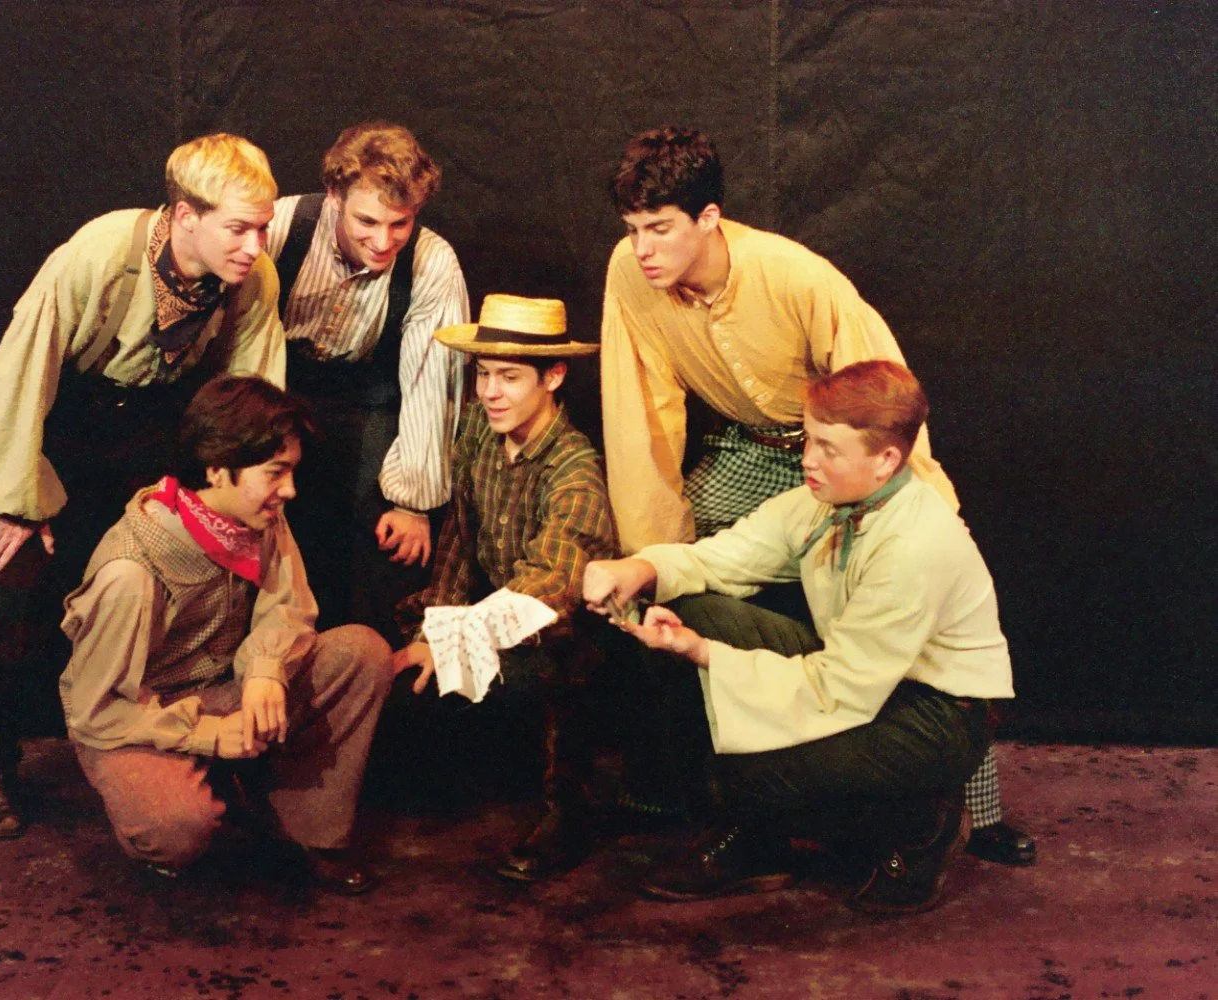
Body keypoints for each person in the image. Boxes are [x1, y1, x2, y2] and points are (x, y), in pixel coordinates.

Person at [599, 125, 1032, 865]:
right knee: (674, 570)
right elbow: (641, 406)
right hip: (745, 449)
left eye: (660, 230)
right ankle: (678, 785)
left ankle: (976, 811)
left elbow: (876, 395)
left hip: (834, 444)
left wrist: (912, 497)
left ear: (710, 218)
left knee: (936, 586)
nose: (644, 250)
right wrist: (645, 550)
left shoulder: (796, 276)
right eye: (633, 230)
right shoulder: (628, 272)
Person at [584, 360, 1014, 914]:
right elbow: (724, 559)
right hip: (858, 675)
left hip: (935, 710)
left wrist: (702, 652)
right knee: (690, 604)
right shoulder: (822, 500)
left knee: (748, 771)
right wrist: (638, 569)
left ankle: (923, 822)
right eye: (807, 439)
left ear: (886, 460)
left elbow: (840, 688)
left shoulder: (917, 543)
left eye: (828, 448)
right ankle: (758, 847)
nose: (807, 460)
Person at [0, 134, 288, 838]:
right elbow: (23, 371)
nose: (255, 245)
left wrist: (245, 489)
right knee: (21, 587)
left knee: (182, 581)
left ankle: (175, 750)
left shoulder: (252, 279)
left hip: (156, 442)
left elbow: (254, 396)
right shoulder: (99, 254)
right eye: (238, 227)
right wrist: (18, 499)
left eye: (262, 227)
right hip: (63, 434)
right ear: (185, 214)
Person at [59, 375, 392, 893]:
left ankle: (307, 830)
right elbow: (94, 711)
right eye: (275, 473)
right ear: (216, 469)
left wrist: (265, 672)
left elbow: (289, 605)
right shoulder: (131, 571)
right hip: (136, 719)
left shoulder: (255, 518)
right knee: (176, 831)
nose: (290, 490)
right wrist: (210, 736)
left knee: (361, 653)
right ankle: (191, 791)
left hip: (221, 691)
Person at [394, 294, 616, 882]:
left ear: (554, 376)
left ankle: (567, 813)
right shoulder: (477, 429)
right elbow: (459, 542)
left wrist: (447, 642)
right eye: (484, 374)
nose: (491, 391)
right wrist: (427, 629)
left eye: (510, 377)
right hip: (487, 614)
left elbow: (545, 592)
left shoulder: (574, 469)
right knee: (395, 676)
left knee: (563, 662)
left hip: (557, 634)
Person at [266, 121, 470, 643]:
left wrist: (414, 504)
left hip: (369, 402)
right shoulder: (282, 224)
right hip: (275, 389)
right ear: (335, 195)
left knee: (380, 548)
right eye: (367, 221)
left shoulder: (433, 262)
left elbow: (432, 382)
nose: (383, 242)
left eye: (399, 224)